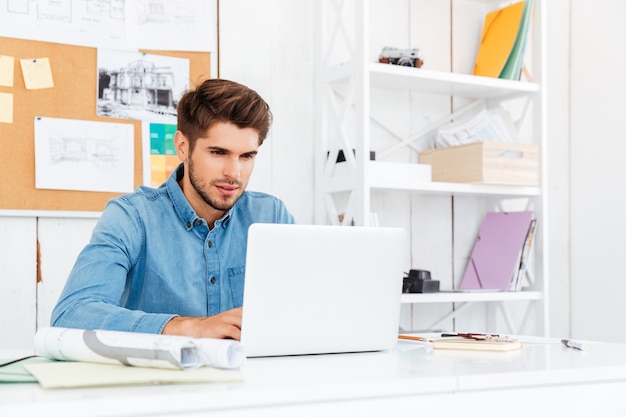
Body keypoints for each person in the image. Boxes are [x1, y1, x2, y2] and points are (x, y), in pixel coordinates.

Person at [51, 79, 295, 341]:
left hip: (256, 377)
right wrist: (191, 328)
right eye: (218, 152)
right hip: (158, 381)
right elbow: (72, 314)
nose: (234, 173)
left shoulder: (271, 215)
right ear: (182, 146)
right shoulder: (132, 217)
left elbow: (311, 301)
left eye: (247, 156)